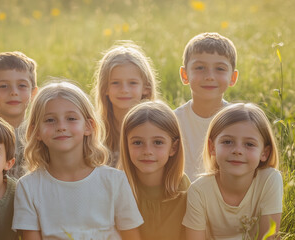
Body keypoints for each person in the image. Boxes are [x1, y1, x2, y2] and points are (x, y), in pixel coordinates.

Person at [12, 81, 143, 240]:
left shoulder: (115, 181)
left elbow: (131, 236)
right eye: (50, 120)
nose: (61, 126)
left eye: (71, 118)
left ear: (89, 126)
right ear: (36, 131)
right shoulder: (28, 187)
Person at [183, 103, 283, 240]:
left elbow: (269, 237)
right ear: (212, 147)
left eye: (249, 144)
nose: (237, 150)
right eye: (228, 142)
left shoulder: (269, 180)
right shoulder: (199, 191)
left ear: (264, 153)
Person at [120, 100, 190, 240]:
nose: (147, 151)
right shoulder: (119, 187)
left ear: (173, 148)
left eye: (158, 142)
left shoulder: (182, 187)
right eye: (137, 142)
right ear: (126, 145)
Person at [175, 32, 239, 181]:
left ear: (233, 78)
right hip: (181, 199)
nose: (209, 76)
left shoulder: (239, 122)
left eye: (220, 69)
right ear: (184, 75)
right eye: (199, 68)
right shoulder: (173, 121)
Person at [92, 40, 158, 168]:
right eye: (115, 83)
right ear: (105, 88)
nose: (124, 90)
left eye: (132, 83)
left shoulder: (157, 125)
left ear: (146, 88)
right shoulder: (95, 130)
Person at [0, 51, 38, 179]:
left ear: (33, 93)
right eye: (3, 86)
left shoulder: (38, 134)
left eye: (22, 85)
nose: (13, 92)